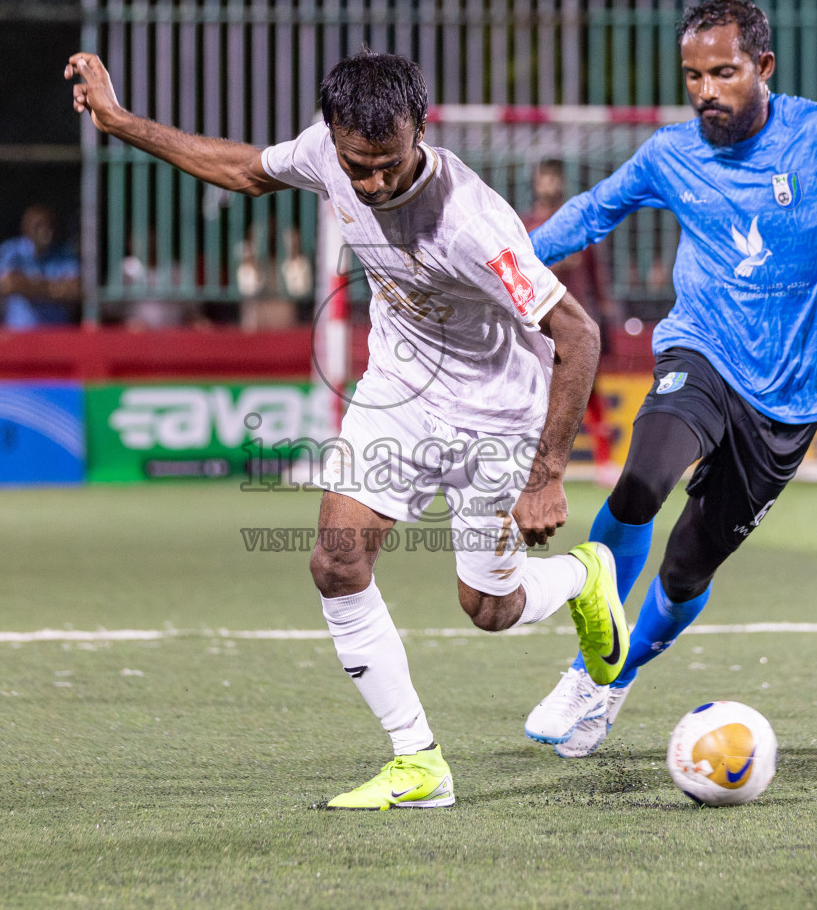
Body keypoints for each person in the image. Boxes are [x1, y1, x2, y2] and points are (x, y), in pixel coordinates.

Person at [68, 48, 628, 809]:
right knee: (336, 562)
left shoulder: (473, 221)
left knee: (490, 610)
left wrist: (546, 475)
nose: (370, 183)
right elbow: (243, 170)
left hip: (498, 411)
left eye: (388, 165)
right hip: (399, 392)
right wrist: (121, 121)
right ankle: (418, 762)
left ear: (419, 131)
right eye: (355, 164)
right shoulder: (328, 153)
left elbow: (579, 333)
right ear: (333, 135)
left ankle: (583, 577)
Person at [523, 0, 817, 758]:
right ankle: (587, 667)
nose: (705, 91)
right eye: (693, 75)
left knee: (690, 565)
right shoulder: (671, 153)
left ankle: (615, 682)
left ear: (762, 67)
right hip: (701, 350)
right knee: (641, 483)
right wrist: (501, 265)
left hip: (791, 397)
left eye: (723, 73)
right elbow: (592, 213)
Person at [522, 158, 617, 486]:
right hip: (534, 322)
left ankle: (605, 460)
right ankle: (522, 463)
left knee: (588, 390)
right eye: (543, 177)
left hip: (572, 319)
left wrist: (603, 314)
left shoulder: (575, 223)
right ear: (535, 182)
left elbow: (594, 276)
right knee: (528, 392)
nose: (548, 183)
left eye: (553, 178)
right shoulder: (523, 225)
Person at [0, 204, 80, 330]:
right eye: (38, 225)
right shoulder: (11, 250)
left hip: (57, 333)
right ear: (26, 228)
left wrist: (29, 287)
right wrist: (54, 288)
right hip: (20, 332)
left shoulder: (64, 253)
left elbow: (73, 289)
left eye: (49, 225)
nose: (45, 230)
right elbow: (7, 285)